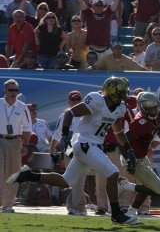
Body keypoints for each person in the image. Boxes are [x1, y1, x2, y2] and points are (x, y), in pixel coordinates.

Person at [7, 77, 140, 224]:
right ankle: (116, 214)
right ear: (112, 92)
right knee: (113, 173)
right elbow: (70, 113)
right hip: (85, 144)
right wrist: (64, 135)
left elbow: (119, 133)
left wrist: (129, 151)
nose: (124, 96)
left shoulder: (119, 108)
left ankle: (29, 175)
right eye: (121, 93)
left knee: (66, 181)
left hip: (92, 146)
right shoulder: (96, 100)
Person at [119, 92, 160, 216]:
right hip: (133, 158)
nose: (154, 110)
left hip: (142, 157)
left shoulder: (158, 115)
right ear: (143, 109)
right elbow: (122, 141)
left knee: (148, 186)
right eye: (150, 108)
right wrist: (129, 159)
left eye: (155, 107)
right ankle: (125, 186)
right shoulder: (139, 123)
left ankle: (131, 212)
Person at [49, 90, 88, 216]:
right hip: (68, 150)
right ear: (69, 101)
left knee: (79, 180)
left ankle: (76, 206)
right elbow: (57, 134)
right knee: (73, 180)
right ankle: (76, 207)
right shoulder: (64, 115)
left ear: (81, 100)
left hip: (83, 149)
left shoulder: (87, 115)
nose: (76, 102)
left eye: (78, 99)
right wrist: (51, 149)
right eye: (73, 99)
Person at [0, 79, 32, 213]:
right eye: (11, 90)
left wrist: (25, 145)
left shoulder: (22, 107)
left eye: (15, 90)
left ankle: (8, 205)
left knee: (13, 173)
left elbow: (27, 127)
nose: (13, 93)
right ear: (4, 91)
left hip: (15, 141)